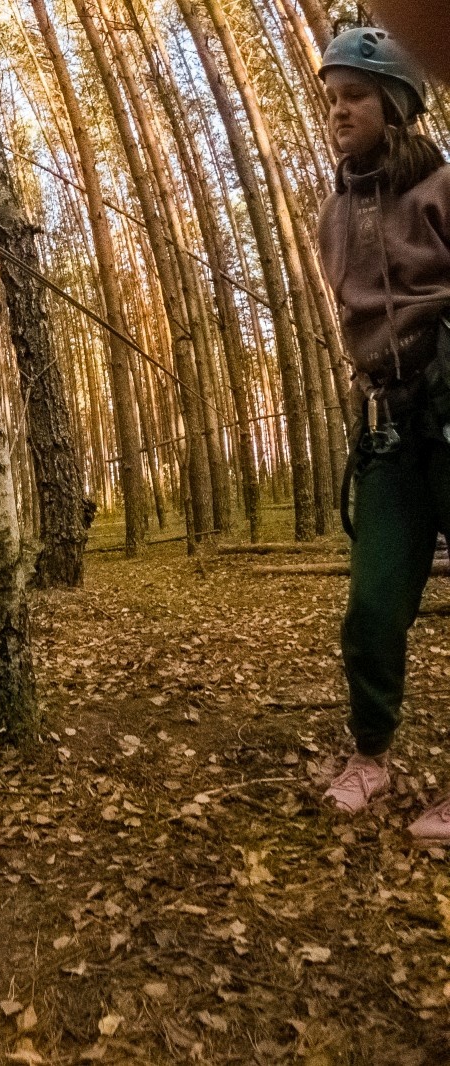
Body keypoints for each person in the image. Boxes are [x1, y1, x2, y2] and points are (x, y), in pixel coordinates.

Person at [315, 27, 450, 842]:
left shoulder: (444, 188)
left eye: (356, 95)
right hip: (390, 430)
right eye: (331, 99)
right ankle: (371, 754)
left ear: (395, 105)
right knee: (372, 604)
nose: (339, 111)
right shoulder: (333, 214)